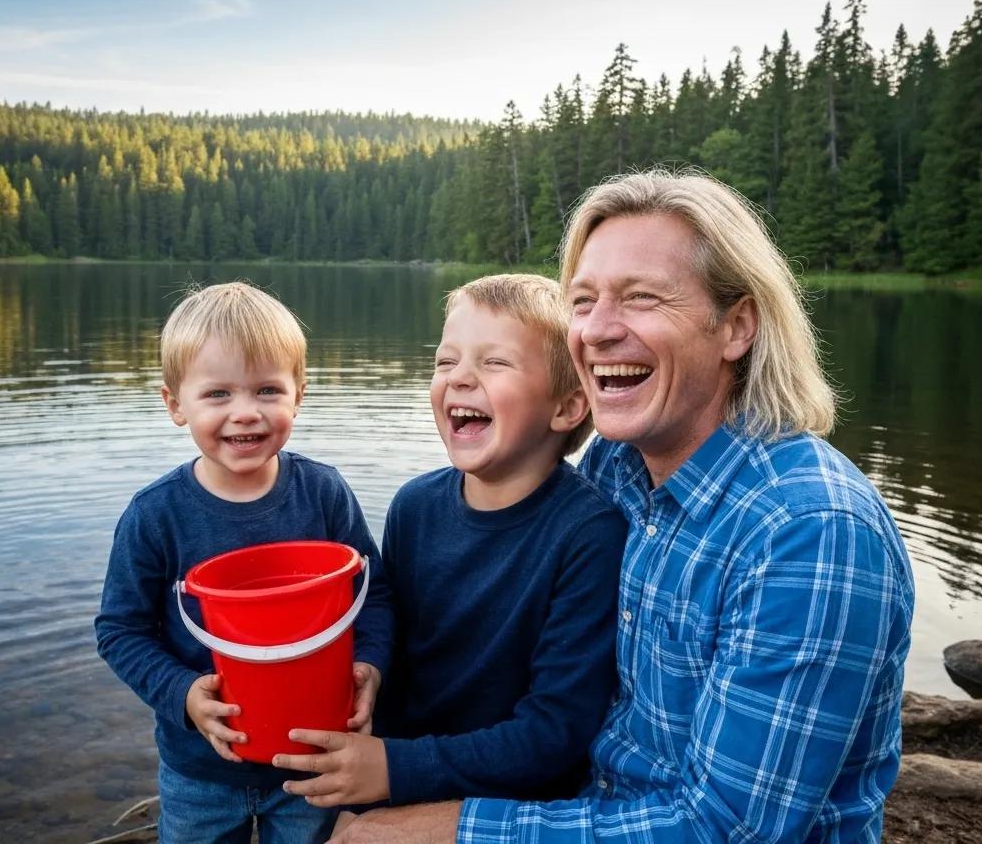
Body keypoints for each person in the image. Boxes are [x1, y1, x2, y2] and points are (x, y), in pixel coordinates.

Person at [327, 170, 915, 844]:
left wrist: (444, 828)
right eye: (582, 300)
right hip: (588, 804)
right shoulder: (617, 465)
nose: (597, 331)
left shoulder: (809, 532)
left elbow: (725, 831)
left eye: (640, 298)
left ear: (737, 326)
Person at [272, 274, 626, 819]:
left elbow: (556, 732)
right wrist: (369, 681)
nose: (458, 379)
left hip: (510, 805)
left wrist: (390, 768)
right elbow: (401, 652)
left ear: (567, 407)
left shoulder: (588, 533)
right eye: (445, 362)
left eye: (494, 363)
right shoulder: (414, 506)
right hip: (405, 771)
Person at [94, 281, 392, 844]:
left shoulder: (323, 494)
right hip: (199, 771)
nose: (245, 413)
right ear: (175, 404)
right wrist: (182, 692)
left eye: (267, 390)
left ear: (298, 394)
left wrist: (372, 665)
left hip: (311, 760)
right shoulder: (156, 516)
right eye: (218, 395)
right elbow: (121, 630)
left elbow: (371, 594)